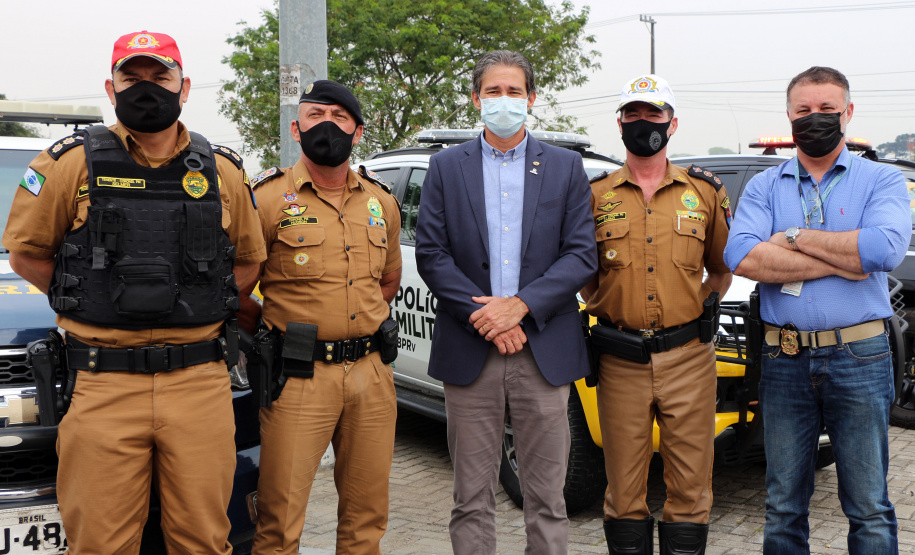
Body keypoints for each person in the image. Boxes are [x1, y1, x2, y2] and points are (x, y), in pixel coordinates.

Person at [2, 31, 266, 553]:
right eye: (133, 78)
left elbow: (250, 260)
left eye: (160, 77)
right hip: (103, 383)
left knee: (204, 541)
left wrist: (198, 300)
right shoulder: (69, 163)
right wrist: (85, 295)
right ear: (111, 86)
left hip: (198, 382)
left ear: (184, 87)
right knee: (101, 543)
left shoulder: (223, 170)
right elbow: (27, 254)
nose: (147, 88)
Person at [414, 50, 597, 554]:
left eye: (514, 91)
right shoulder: (446, 167)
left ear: (532, 99)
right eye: (493, 91)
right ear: (476, 99)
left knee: (547, 498)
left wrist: (518, 307)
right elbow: (432, 254)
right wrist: (488, 316)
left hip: (542, 350)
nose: (504, 101)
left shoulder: (565, 167)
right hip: (470, 352)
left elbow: (581, 255)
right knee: (471, 497)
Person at [724, 66, 909, 555]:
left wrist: (792, 238)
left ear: (847, 113)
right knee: (784, 504)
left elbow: (883, 251)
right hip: (784, 359)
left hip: (861, 357)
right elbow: (741, 255)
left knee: (868, 506)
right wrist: (845, 259)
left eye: (827, 110)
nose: (815, 119)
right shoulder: (765, 186)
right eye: (804, 110)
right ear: (789, 116)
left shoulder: (881, 180)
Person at [247, 80, 402, 555]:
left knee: (366, 519)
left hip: (371, 376)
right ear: (296, 128)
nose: (328, 126)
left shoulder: (381, 202)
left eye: (340, 117)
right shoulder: (267, 199)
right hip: (298, 376)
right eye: (316, 116)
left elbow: (387, 283)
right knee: (280, 519)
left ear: (357, 132)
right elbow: (235, 287)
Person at [581, 74, 732, 555]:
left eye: (653, 114)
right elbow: (584, 273)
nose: (642, 122)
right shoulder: (596, 194)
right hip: (620, 359)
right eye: (633, 114)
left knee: (690, 488)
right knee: (624, 491)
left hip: (689, 358)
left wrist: (696, 308)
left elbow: (722, 268)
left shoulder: (704, 192)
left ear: (672, 123)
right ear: (620, 122)